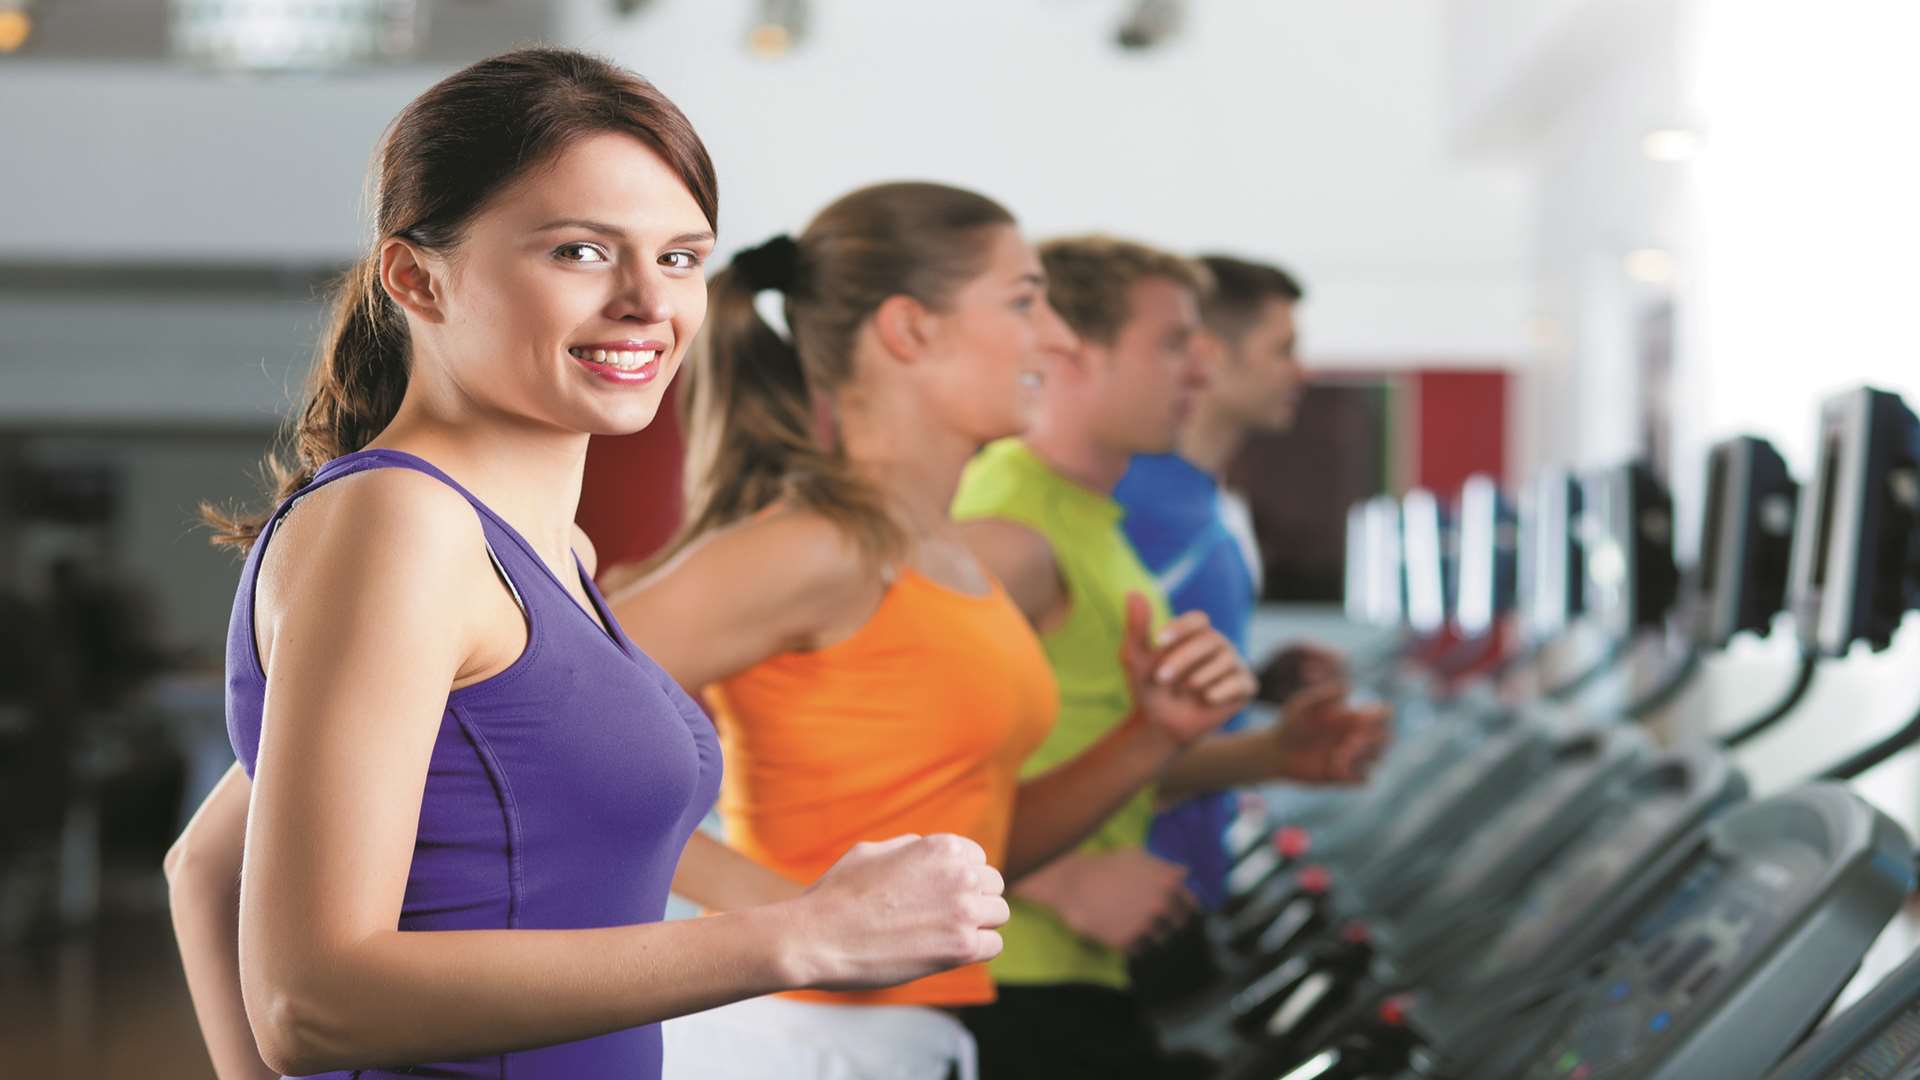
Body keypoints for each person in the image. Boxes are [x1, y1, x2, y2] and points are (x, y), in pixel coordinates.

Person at [164, 49, 1006, 1080]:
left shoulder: (547, 549)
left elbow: (205, 868)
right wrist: (801, 939)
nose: (649, 302)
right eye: (579, 252)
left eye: (683, 257)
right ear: (416, 277)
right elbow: (311, 1000)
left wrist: (825, 913)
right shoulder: (400, 524)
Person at [612, 183, 1266, 1079]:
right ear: (911, 330)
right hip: (790, 1040)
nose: (1059, 338)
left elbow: (970, 854)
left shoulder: (942, 558)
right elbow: (519, 727)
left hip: (912, 1034)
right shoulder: (817, 548)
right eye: (1025, 302)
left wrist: (1153, 735)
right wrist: (791, 921)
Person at [952, 236, 1388, 1079]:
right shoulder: (1006, 521)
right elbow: (879, 773)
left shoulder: (1091, 519)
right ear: (1070, 348)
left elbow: (1087, 753)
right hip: (1005, 973)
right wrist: (1066, 882)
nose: (1199, 368)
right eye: (1173, 343)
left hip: (1072, 969)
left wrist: (1269, 752)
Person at [1115, 254, 1348, 912]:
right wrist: (1274, 753)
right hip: (1124, 896)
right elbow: (1085, 735)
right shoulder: (1137, 507)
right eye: (1284, 350)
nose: (1302, 372)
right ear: (1211, 356)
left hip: (1187, 880)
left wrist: (1256, 681)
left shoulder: (1208, 509)